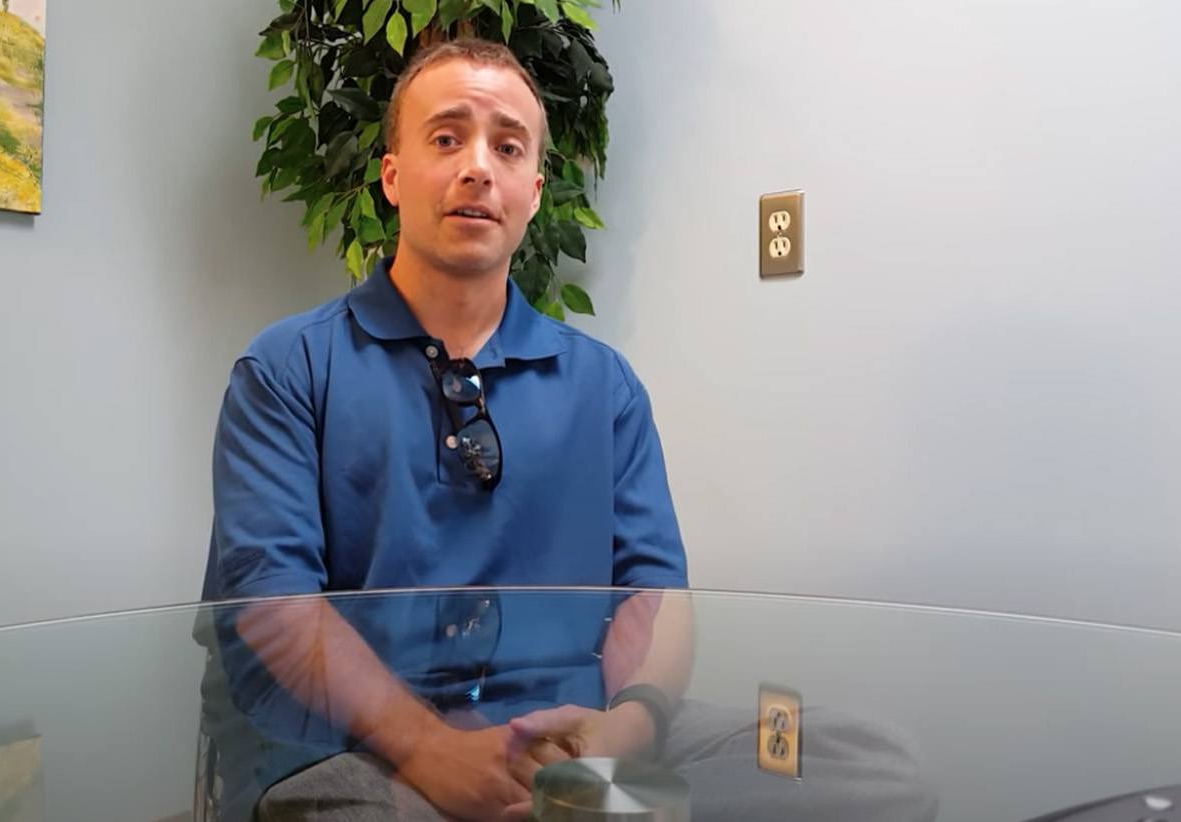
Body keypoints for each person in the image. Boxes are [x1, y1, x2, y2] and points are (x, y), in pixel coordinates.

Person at [197, 38, 936, 822]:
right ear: (391, 176)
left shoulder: (604, 385)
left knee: (872, 766)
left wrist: (622, 734)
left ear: (536, 189)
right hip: (370, 752)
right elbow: (273, 603)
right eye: (446, 138)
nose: (479, 167)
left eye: (508, 146)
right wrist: (428, 749)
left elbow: (655, 589)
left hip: (573, 743)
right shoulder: (288, 368)